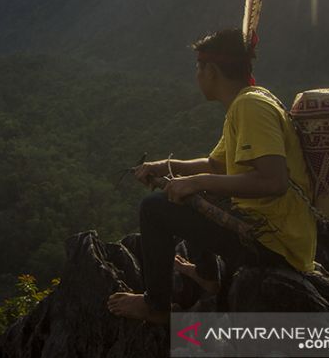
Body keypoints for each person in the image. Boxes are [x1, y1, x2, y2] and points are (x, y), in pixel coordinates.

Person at [107, 28, 317, 323]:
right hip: (275, 234)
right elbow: (216, 165)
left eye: (198, 67)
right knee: (198, 192)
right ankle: (208, 276)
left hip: (273, 242)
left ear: (212, 70)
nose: (196, 76)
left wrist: (194, 183)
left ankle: (156, 307)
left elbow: (274, 181)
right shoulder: (245, 103)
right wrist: (166, 167)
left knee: (154, 209)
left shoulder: (251, 107)